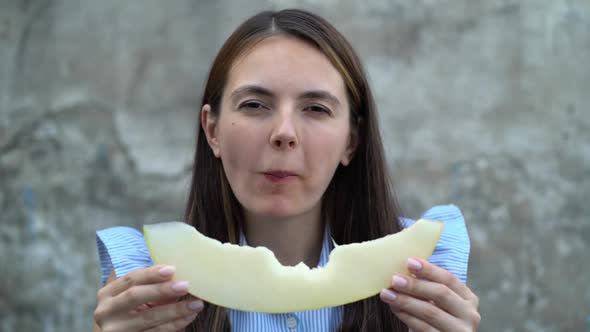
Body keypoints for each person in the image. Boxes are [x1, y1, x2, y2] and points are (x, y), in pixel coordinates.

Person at [93, 9, 480, 332]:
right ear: (212, 130)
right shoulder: (145, 282)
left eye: (315, 108)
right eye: (254, 105)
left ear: (351, 140)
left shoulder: (421, 272)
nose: (284, 133)